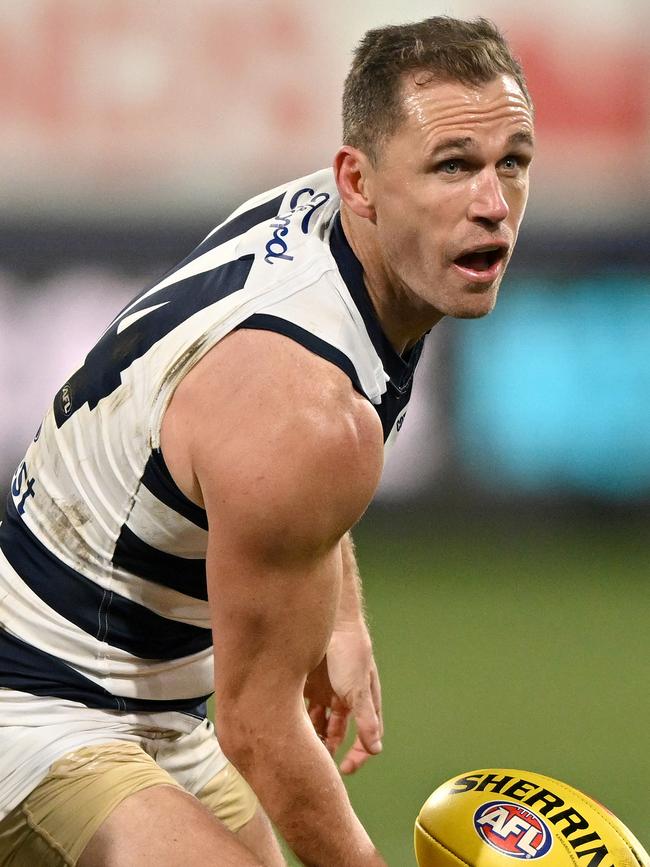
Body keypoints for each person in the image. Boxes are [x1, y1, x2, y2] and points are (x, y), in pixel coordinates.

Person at [0, 15, 534, 867]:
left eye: (513, 160)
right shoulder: (309, 410)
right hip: (36, 707)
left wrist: (340, 613)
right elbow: (259, 729)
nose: (492, 204)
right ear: (359, 180)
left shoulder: (333, 233)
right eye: (453, 166)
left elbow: (257, 454)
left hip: (158, 702)